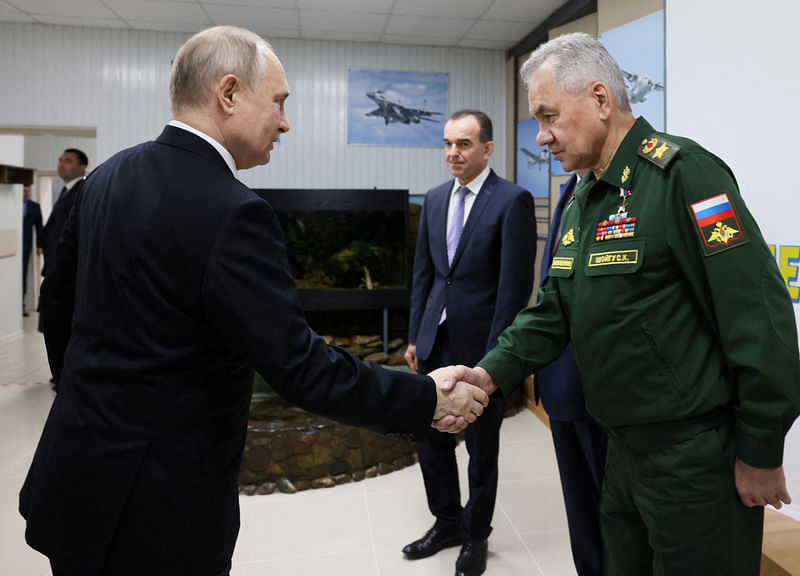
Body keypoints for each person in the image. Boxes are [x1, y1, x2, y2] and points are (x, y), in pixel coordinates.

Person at [19, 26, 489, 576]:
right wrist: (424, 398)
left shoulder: (104, 178)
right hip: (158, 512)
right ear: (230, 93)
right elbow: (300, 367)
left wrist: (86, 400)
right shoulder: (233, 211)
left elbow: (57, 306)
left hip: (75, 480)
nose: (286, 121)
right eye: (280, 102)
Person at [465, 32, 800, 575]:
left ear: (600, 99)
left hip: (694, 460)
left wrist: (761, 448)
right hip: (621, 452)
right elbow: (555, 310)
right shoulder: (584, 197)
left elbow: (757, 318)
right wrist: (489, 373)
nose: (543, 136)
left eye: (549, 117)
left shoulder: (684, 175)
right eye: (537, 122)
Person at [402, 109, 537, 576]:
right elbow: (424, 274)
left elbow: (513, 288)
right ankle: (447, 523)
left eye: (462, 144)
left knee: (482, 450)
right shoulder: (436, 199)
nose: (452, 153)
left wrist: (496, 359)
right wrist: (415, 335)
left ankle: (476, 536)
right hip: (434, 342)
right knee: (430, 441)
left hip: (482, 350)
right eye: (447, 144)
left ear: (487, 149)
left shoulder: (511, 201)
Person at [536, 171, 606, 576]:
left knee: (610, 516)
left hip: (600, 392)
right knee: (581, 516)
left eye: (551, 116)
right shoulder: (572, 188)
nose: (544, 135)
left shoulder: (631, 189)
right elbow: (552, 293)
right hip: (560, 383)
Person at [42, 148, 87, 277]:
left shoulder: (81, 191)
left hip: (67, 267)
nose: (61, 165)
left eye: (68, 161)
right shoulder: (66, 190)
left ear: (82, 168)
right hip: (55, 263)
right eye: (60, 160)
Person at [21, 184, 43, 316]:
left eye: (28, 190)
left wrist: (40, 246)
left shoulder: (34, 207)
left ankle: (21, 305)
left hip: (26, 246)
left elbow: (39, 228)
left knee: (23, 275)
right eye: (24, 190)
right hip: (13, 245)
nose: (26, 193)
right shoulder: (13, 205)